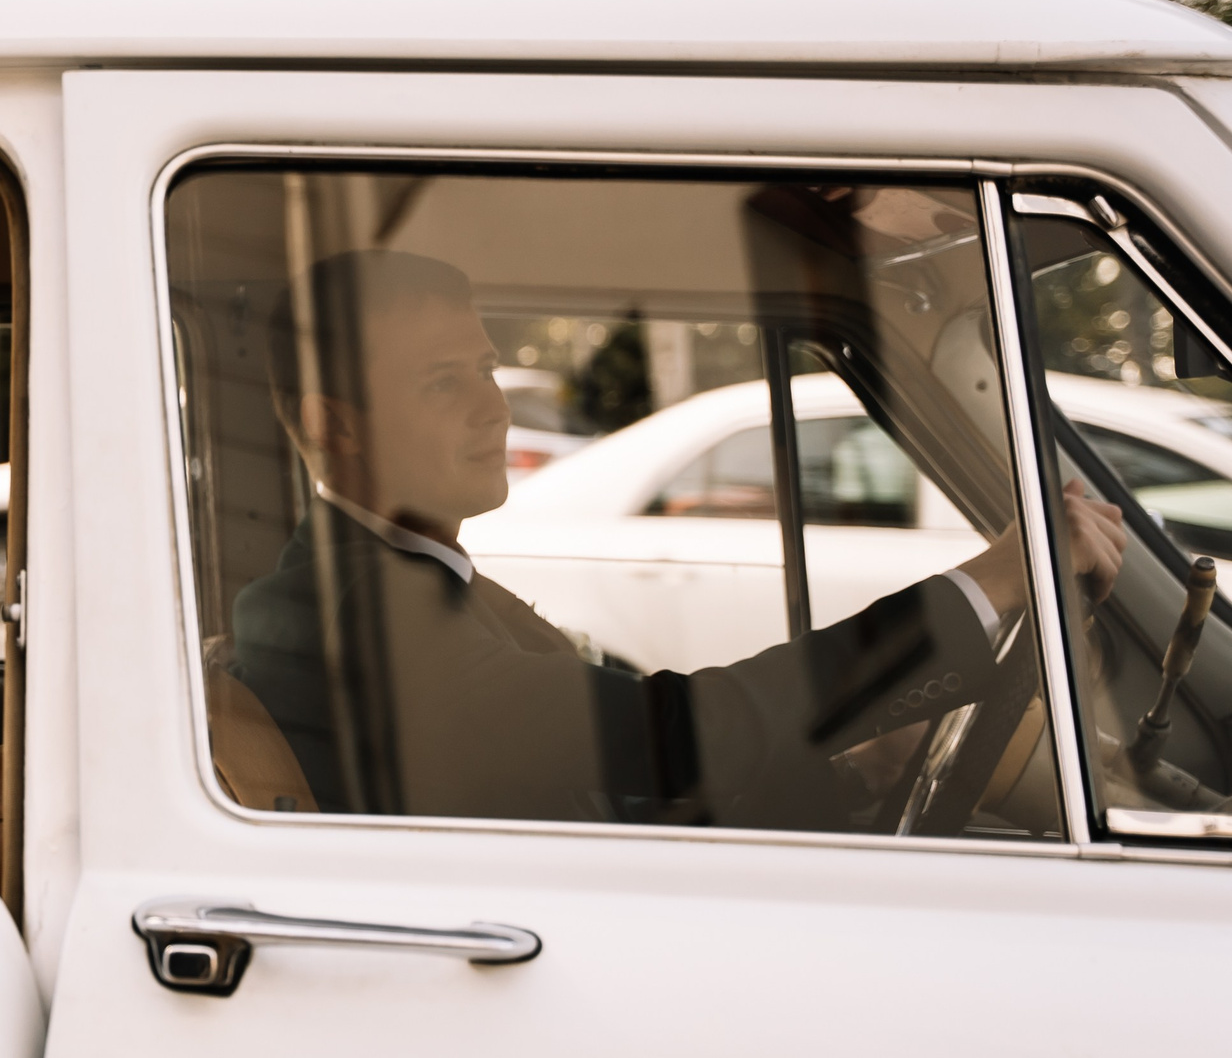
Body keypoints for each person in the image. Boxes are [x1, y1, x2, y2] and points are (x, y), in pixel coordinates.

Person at [230, 249, 1126, 829]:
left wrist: (861, 766)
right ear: (334, 426)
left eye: (486, 369)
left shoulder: (385, 580)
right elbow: (678, 740)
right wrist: (993, 581)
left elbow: (618, 783)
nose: (493, 408)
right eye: (441, 383)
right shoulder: (373, 611)